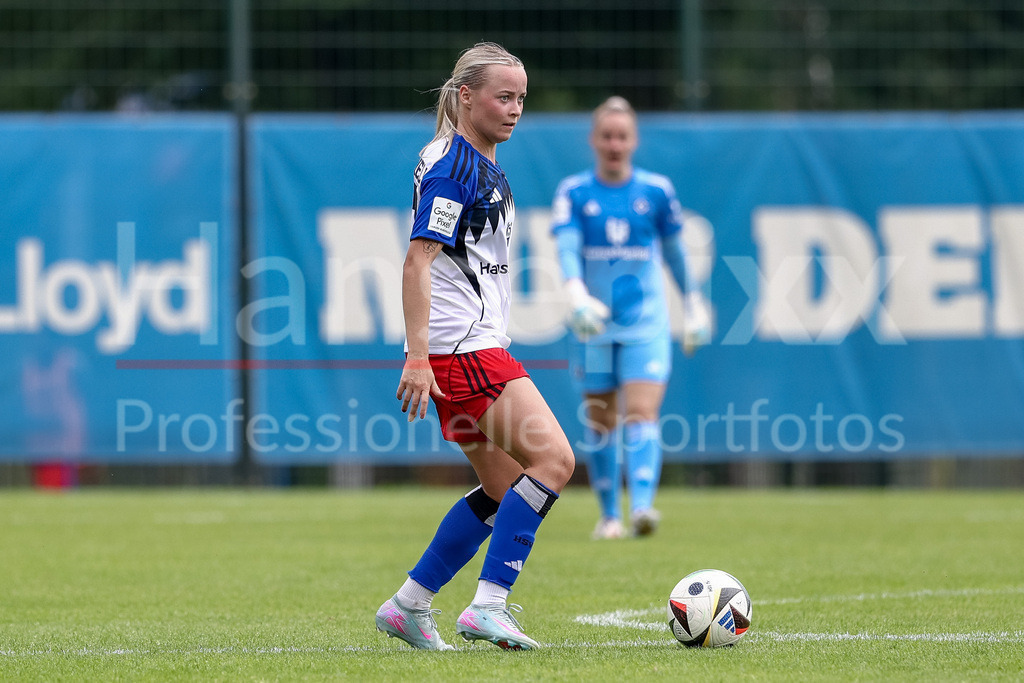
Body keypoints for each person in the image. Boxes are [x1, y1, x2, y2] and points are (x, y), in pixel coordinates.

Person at [374, 42, 575, 652]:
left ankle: (408, 605)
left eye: (521, 98)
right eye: (502, 96)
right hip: (466, 351)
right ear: (466, 96)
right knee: (554, 462)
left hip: (460, 349)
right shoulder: (456, 167)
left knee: (502, 485)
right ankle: (489, 606)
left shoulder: (466, 157)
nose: (515, 109)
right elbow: (417, 259)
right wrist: (416, 355)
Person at [550, 96, 711, 540]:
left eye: (622, 135)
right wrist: (576, 293)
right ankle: (609, 516)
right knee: (601, 420)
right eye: (607, 135)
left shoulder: (656, 191)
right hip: (594, 325)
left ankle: (641, 506)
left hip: (645, 325)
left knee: (641, 413)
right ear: (594, 140)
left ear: (634, 140)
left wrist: (693, 302)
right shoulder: (574, 192)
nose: (614, 143)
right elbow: (565, 246)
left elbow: (676, 253)